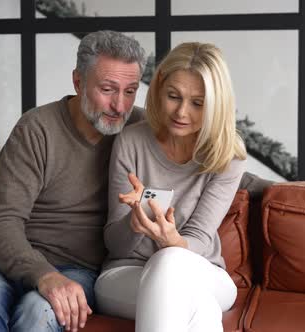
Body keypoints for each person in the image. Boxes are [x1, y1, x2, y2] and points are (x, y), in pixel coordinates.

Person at [0, 30, 147, 332]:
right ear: (78, 82)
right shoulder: (36, 129)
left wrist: (243, 182)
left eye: (130, 91)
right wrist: (43, 274)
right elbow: (3, 222)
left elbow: (207, 158)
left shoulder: (139, 128)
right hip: (4, 257)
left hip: (79, 268)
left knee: (39, 313)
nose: (119, 106)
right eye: (108, 89)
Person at [95, 42, 246, 332]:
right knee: (201, 309)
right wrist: (134, 223)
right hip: (126, 274)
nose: (181, 112)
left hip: (204, 272)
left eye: (198, 103)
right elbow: (114, 243)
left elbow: (200, 237)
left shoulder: (229, 157)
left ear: (217, 104)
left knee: (171, 260)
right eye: (173, 96)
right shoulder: (131, 142)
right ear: (159, 88)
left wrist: (171, 241)